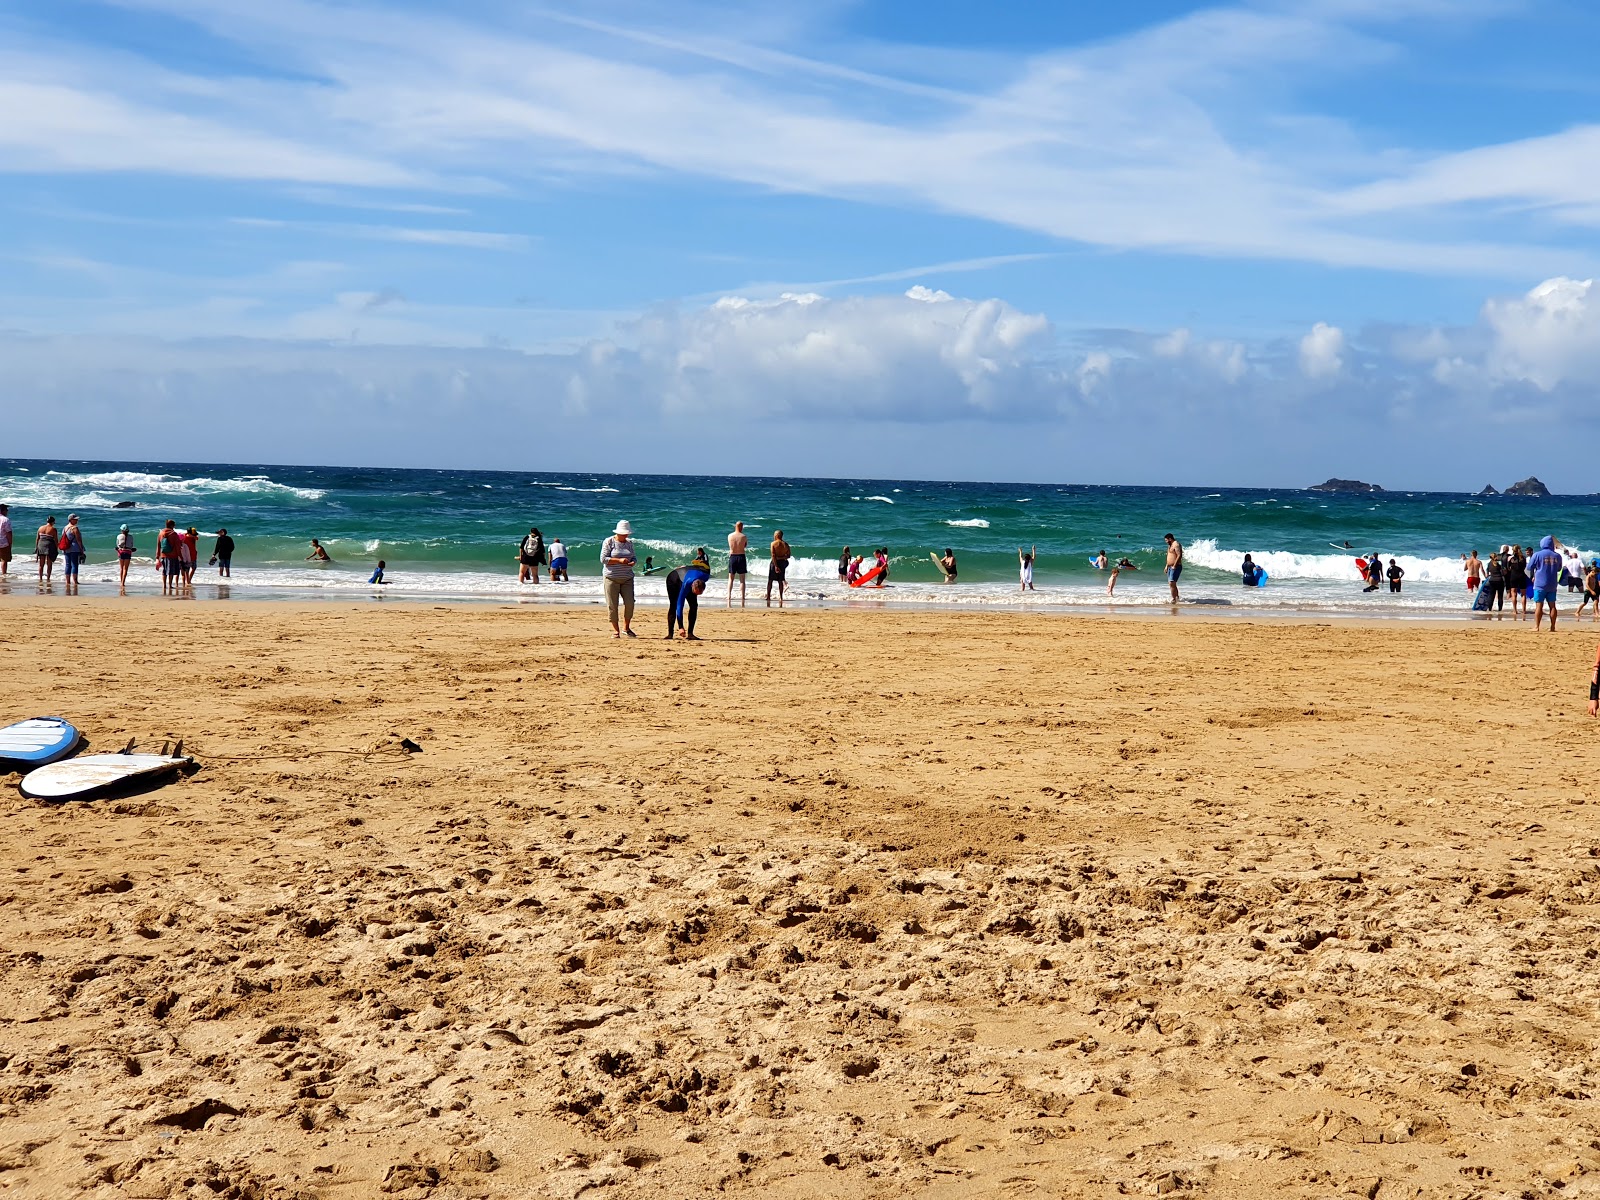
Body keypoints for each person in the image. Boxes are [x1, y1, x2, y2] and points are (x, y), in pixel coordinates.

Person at [600, 519, 638, 638]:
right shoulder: (609, 542)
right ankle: (616, 630)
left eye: (626, 533)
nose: (625, 535)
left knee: (630, 603)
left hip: (627, 578)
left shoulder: (629, 543)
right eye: (623, 533)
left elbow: (634, 557)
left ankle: (626, 628)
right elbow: (603, 559)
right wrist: (619, 560)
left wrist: (633, 562)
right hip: (611, 578)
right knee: (612, 605)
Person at [664, 549, 712, 640]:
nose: (697, 595)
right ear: (692, 588)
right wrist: (680, 627)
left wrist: (702, 554)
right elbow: (680, 605)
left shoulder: (705, 576)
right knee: (674, 605)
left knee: (694, 605)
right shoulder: (686, 585)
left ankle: (690, 634)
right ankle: (670, 634)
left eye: (699, 594)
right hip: (673, 579)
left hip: (687, 573)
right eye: (696, 593)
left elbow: (705, 562)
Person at [1529, 535, 1564, 631]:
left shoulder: (1537, 554)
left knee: (1539, 605)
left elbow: (1530, 567)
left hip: (1540, 583)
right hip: (1552, 583)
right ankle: (1552, 627)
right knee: (1552, 606)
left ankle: (1537, 627)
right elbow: (1559, 568)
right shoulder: (1557, 556)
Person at [59, 515, 86, 592]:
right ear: (71, 520)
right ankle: (75, 581)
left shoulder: (65, 528)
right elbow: (79, 540)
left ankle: (67, 581)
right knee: (75, 564)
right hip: (74, 548)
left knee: (68, 564)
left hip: (66, 548)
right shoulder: (75, 528)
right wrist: (81, 549)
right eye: (75, 519)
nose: (77, 521)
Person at [767, 529, 792, 607]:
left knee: (770, 580)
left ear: (777, 535)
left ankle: (768, 597)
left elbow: (773, 555)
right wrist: (782, 557)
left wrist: (776, 566)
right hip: (782, 563)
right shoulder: (786, 544)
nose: (774, 536)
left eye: (774, 535)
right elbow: (788, 556)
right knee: (780, 581)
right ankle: (781, 597)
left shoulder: (773, 544)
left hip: (775, 563)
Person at [157, 520, 183, 594]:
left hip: (163, 555)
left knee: (164, 570)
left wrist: (157, 556)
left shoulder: (161, 533)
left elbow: (158, 545)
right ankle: (170, 585)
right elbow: (178, 546)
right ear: (172, 525)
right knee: (171, 571)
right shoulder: (174, 534)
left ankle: (164, 585)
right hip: (172, 555)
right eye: (174, 525)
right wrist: (180, 556)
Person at [728, 521, 749, 607]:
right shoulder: (743, 536)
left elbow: (730, 545)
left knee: (731, 578)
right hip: (741, 556)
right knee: (742, 580)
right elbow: (744, 546)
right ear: (742, 527)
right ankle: (743, 597)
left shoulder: (730, 536)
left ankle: (729, 596)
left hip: (732, 556)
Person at [1506, 544, 1528, 617]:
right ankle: (1524, 610)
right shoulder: (1523, 558)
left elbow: (1508, 568)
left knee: (1514, 593)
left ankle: (1515, 610)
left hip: (1513, 576)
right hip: (1521, 575)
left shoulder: (1510, 558)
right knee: (1523, 594)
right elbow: (1524, 567)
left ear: (1513, 550)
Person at [35, 515, 59, 583]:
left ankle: (40, 578)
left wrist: (37, 548)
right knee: (49, 564)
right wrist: (56, 549)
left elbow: (37, 539)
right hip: (49, 546)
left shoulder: (40, 528)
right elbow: (56, 540)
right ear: (53, 522)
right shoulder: (53, 529)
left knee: (41, 564)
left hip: (41, 545)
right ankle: (48, 578)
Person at [1163, 534, 1183, 602]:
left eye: (1166, 540)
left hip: (1176, 566)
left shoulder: (1176, 544)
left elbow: (1179, 555)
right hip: (1170, 567)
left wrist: (1174, 565)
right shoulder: (1170, 545)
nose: (1165, 541)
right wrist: (1166, 565)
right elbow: (1169, 556)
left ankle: (1174, 599)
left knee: (1172, 582)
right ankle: (1176, 597)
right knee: (1171, 583)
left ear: (1170, 539)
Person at [116, 523, 136, 588]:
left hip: (121, 552)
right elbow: (131, 545)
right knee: (125, 569)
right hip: (128, 552)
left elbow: (117, 544)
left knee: (121, 568)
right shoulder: (131, 537)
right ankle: (123, 583)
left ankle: (121, 582)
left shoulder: (119, 536)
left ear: (121, 530)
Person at [0, 503, 11, 577]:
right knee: (4, 560)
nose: (7, 511)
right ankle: (4, 575)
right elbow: (8, 533)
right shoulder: (5, 520)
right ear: (3, 511)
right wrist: (10, 543)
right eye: (6, 510)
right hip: (3, 542)